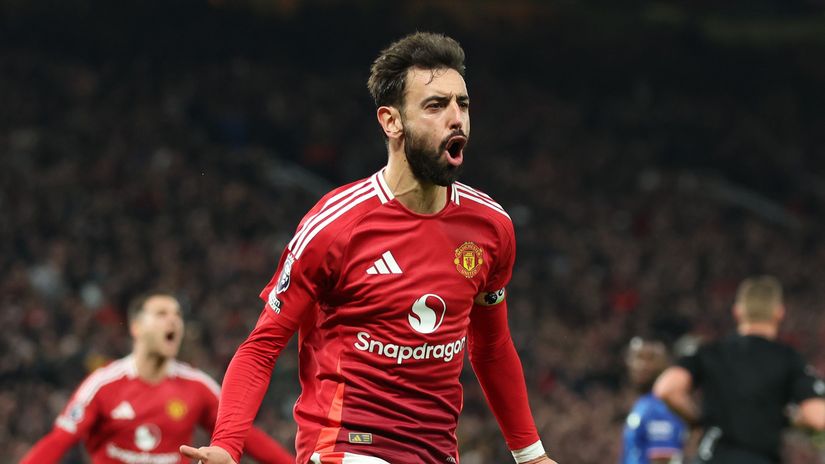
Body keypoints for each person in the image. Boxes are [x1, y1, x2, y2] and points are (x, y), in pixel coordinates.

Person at [180, 32, 557, 464]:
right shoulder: (334, 226)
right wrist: (227, 443)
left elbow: (491, 347)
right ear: (391, 121)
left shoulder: (491, 227)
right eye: (436, 105)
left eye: (463, 104)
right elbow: (261, 346)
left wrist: (531, 454)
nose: (458, 119)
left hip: (437, 453)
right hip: (346, 445)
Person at [20, 291, 294, 464]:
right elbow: (58, 441)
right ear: (136, 327)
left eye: (177, 315)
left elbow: (247, 438)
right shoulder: (102, 385)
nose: (173, 321)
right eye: (162, 314)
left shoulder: (198, 387)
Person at [654, 276, 825, 464]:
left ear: (737, 312)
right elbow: (817, 416)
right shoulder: (788, 359)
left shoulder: (712, 351)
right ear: (779, 313)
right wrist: (788, 420)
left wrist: (698, 421)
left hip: (711, 456)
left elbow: (666, 389)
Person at [621, 335, 686, 464]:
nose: (641, 365)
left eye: (650, 358)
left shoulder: (661, 407)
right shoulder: (645, 404)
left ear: (665, 363)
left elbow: (663, 461)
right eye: (637, 357)